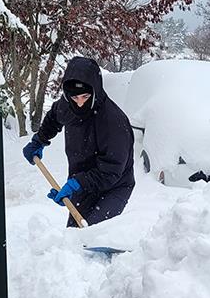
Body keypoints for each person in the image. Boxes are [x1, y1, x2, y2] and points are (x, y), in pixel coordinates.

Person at [22, 56, 135, 227]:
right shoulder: (67, 106)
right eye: (75, 98)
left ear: (95, 90)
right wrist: (39, 140)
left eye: (85, 96)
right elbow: (54, 117)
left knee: (91, 236)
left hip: (114, 186)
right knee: (73, 236)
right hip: (84, 179)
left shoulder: (113, 121)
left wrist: (77, 184)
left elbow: (111, 171)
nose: (80, 103)